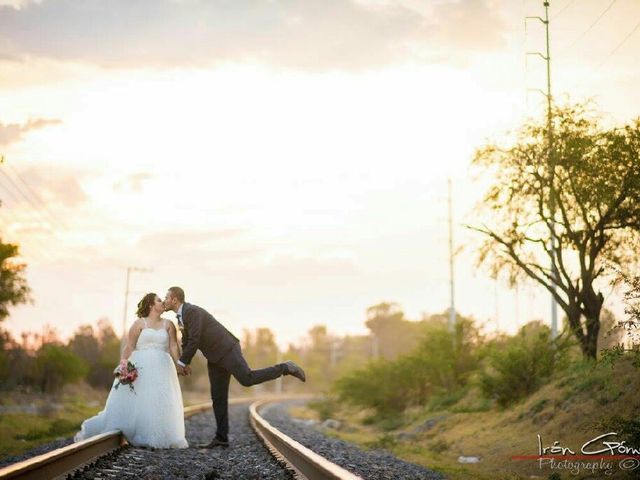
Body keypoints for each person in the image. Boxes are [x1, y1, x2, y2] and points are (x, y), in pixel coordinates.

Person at [164, 286, 305, 448]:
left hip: (227, 349)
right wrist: (185, 362)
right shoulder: (181, 317)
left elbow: (195, 339)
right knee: (218, 397)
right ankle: (221, 438)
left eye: (166, 297)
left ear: (174, 299)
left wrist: (181, 363)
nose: (165, 300)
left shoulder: (192, 311)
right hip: (215, 356)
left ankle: (286, 367)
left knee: (247, 379)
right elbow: (187, 341)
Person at [74, 293, 188, 448]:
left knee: (160, 399)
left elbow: (173, 346)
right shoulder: (139, 324)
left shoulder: (168, 324)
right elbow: (129, 346)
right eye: (159, 300)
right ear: (150, 305)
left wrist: (180, 363)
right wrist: (123, 365)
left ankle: (161, 435)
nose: (163, 303)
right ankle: (141, 432)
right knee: (142, 398)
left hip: (163, 365)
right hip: (141, 365)